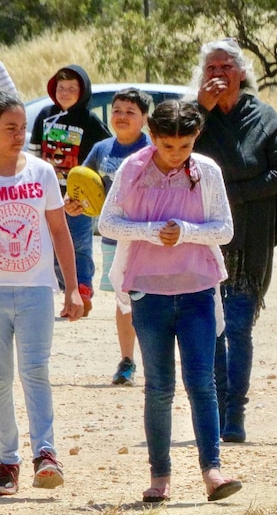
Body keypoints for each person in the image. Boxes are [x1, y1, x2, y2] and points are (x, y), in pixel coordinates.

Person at [99, 100, 241, 504]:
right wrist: (150, 230)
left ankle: (212, 470)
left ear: (196, 137)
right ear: (152, 137)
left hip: (197, 288)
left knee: (202, 382)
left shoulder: (208, 171)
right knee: (159, 387)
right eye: (167, 146)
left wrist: (185, 232)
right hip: (148, 291)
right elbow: (107, 223)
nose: (176, 155)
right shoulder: (132, 169)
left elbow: (224, 230)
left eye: (184, 146)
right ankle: (160, 476)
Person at [192, 38, 277, 443]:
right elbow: (172, 155)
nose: (218, 75)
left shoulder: (264, 117)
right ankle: (214, 409)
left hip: (249, 244)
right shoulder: (195, 116)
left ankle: (236, 413)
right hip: (203, 240)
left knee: (237, 328)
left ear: (242, 73)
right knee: (210, 330)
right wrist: (200, 108)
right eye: (211, 68)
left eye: (225, 67)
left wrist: (231, 193)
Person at [0, 91, 84, 496]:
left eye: (22, 127)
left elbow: (59, 232)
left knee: (35, 372)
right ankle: (7, 461)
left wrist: (72, 288)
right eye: (9, 128)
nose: (19, 135)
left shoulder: (42, 172)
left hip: (36, 290)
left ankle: (46, 455)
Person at [78, 88, 152, 386]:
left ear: (145, 119)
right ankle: (127, 361)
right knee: (124, 301)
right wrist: (74, 203)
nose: (121, 116)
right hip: (112, 239)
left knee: (150, 300)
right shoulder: (101, 148)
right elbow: (82, 185)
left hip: (148, 239)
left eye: (130, 112)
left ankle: (157, 361)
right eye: (117, 110)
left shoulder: (153, 149)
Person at [28, 65, 111, 317]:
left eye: (71, 89)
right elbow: (34, 153)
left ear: (82, 91)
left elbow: (105, 152)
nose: (65, 93)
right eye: (61, 88)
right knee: (51, 243)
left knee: (80, 244)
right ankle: (66, 290)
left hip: (78, 197)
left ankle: (83, 290)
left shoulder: (89, 121)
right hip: (48, 193)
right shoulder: (45, 114)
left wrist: (98, 186)